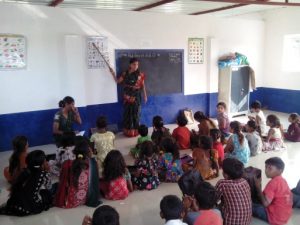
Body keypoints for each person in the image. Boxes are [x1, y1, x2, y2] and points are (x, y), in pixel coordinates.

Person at [1, 150, 52, 216]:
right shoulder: (44, 174)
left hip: (16, 204)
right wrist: (48, 171)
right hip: (29, 208)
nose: (46, 162)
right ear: (42, 164)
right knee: (47, 193)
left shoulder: (25, 171)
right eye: (45, 160)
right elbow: (49, 187)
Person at [54, 139, 101, 208]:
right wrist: (92, 157)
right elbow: (95, 182)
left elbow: (63, 182)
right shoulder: (92, 163)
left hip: (72, 200)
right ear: (88, 152)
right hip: (87, 198)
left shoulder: (68, 164)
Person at [111, 58, 147, 137]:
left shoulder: (140, 75)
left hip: (137, 97)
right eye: (134, 64)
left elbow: (143, 86)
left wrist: (145, 95)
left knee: (136, 114)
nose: (136, 66)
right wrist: (113, 73)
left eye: (137, 64)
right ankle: (128, 132)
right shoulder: (125, 74)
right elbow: (118, 81)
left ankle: (136, 131)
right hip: (127, 97)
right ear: (130, 65)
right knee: (128, 114)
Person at [253, 157, 293, 225]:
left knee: (251, 206)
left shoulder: (273, 183)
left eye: (270, 168)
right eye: (266, 167)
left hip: (275, 218)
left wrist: (258, 187)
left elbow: (265, 204)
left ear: (280, 171)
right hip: (285, 215)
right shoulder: (283, 180)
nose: (266, 170)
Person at [215, 158, 252, 225]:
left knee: (211, 206)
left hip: (230, 222)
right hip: (247, 221)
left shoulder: (222, 183)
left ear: (226, 174)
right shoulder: (245, 181)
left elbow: (213, 199)